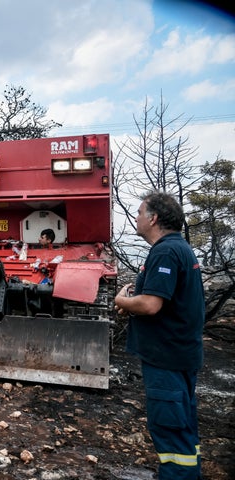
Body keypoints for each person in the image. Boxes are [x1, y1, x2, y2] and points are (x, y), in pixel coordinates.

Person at [114, 191, 205, 480]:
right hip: (179, 355)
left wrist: (122, 301)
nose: (137, 218)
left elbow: (151, 305)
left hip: (167, 359)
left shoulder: (165, 251)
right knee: (183, 430)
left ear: (153, 218)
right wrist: (134, 305)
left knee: (171, 433)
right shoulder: (179, 248)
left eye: (140, 213)